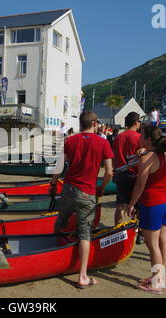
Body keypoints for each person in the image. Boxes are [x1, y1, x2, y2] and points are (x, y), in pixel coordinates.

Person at [50, 111, 114, 288]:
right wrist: (101, 188)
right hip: (87, 192)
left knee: (61, 220)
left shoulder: (70, 141)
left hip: (69, 188)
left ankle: (52, 253)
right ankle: (83, 276)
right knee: (85, 232)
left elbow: (59, 167)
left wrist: (53, 183)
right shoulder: (103, 142)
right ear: (94, 123)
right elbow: (109, 172)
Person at [125, 124, 166, 295]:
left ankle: (157, 283)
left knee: (153, 246)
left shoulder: (148, 158)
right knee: (163, 242)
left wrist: (131, 204)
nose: (138, 138)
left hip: (152, 203)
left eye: (141, 135)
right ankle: (158, 276)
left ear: (149, 139)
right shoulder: (165, 154)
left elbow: (140, 184)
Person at [112, 112, 141, 227]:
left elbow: (114, 156)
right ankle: (136, 230)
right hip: (134, 173)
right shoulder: (139, 137)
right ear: (135, 122)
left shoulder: (119, 137)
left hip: (121, 173)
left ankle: (118, 229)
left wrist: (115, 170)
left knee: (120, 205)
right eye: (139, 121)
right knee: (136, 205)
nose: (140, 124)